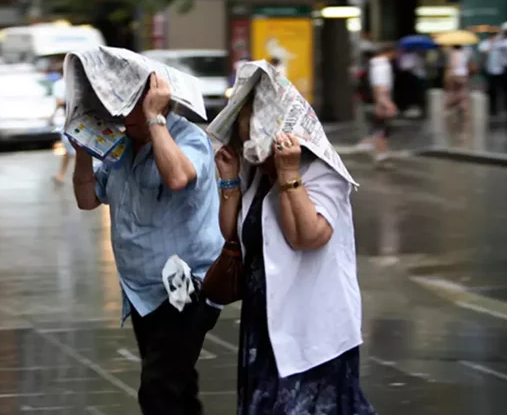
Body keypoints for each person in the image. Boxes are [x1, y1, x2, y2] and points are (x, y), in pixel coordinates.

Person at [214, 92, 375, 415]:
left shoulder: (321, 170)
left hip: (312, 327)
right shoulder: (259, 175)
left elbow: (307, 236)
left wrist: (289, 175)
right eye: (248, 147)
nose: (254, 157)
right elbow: (232, 234)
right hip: (265, 322)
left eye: (257, 147)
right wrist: (230, 181)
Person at [71, 73, 222, 415]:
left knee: (159, 389)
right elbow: (87, 198)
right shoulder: (123, 147)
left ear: (159, 104)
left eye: (134, 109)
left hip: (186, 285)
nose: (125, 118)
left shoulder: (188, 137)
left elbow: (178, 177)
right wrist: (83, 150)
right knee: (176, 385)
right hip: (142, 290)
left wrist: (155, 120)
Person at [367, 43, 397, 166]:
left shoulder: (375, 64)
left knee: (381, 129)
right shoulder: (382, 65)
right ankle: (381, 155)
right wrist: (386, 103)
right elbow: (379, 87)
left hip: (379, 100)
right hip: (382, 100)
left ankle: (381, 154)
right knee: (382, 129)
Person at [51, 66, 73, 184]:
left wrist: (52, 114)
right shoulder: (79, 81)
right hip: (84, 118)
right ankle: (61, 174)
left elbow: (59, 102)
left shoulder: (60, 84)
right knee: (70, 149)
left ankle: (62, 174)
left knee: (71, 149)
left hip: (69, 119)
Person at [444, 45, 473, 128]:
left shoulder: (453, 54)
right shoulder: (465, 53)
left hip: (455, 75)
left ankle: (453, 107)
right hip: (464, 74)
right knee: (463, 91)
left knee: (453, 92)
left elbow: (452, 65)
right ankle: (464, 108)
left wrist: (449, 76)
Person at [479, 31, 504, 116]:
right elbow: (483, 54)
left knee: (498, 90)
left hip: (500, 70)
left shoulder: (501, 44)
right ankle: (492, 108)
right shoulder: (485, 44)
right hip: (489, 70)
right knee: (491, 90)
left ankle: (497, 108)